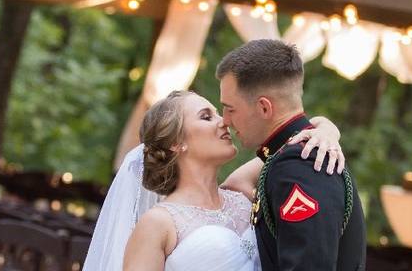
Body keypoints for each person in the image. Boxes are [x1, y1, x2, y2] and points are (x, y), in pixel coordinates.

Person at [84, 90, 347, 271]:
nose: (225, 122)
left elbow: (298, 136)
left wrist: (328, 132)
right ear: (177, 143)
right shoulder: (158, 223)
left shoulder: (240, 191)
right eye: (206, 116)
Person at [217, 39, 366, 271]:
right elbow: (235, 183)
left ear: (264, 107)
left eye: (230, 109)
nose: (225, 120)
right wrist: (325, 126)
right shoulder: (288, 156)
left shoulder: (300, 165)